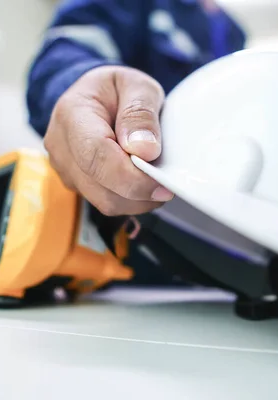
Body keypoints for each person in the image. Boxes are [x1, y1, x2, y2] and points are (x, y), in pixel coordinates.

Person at [26, 0, 246, 284]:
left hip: (231, 268)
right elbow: (71, 45)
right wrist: (79, 80)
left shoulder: (232, 30)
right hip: (129, 261)